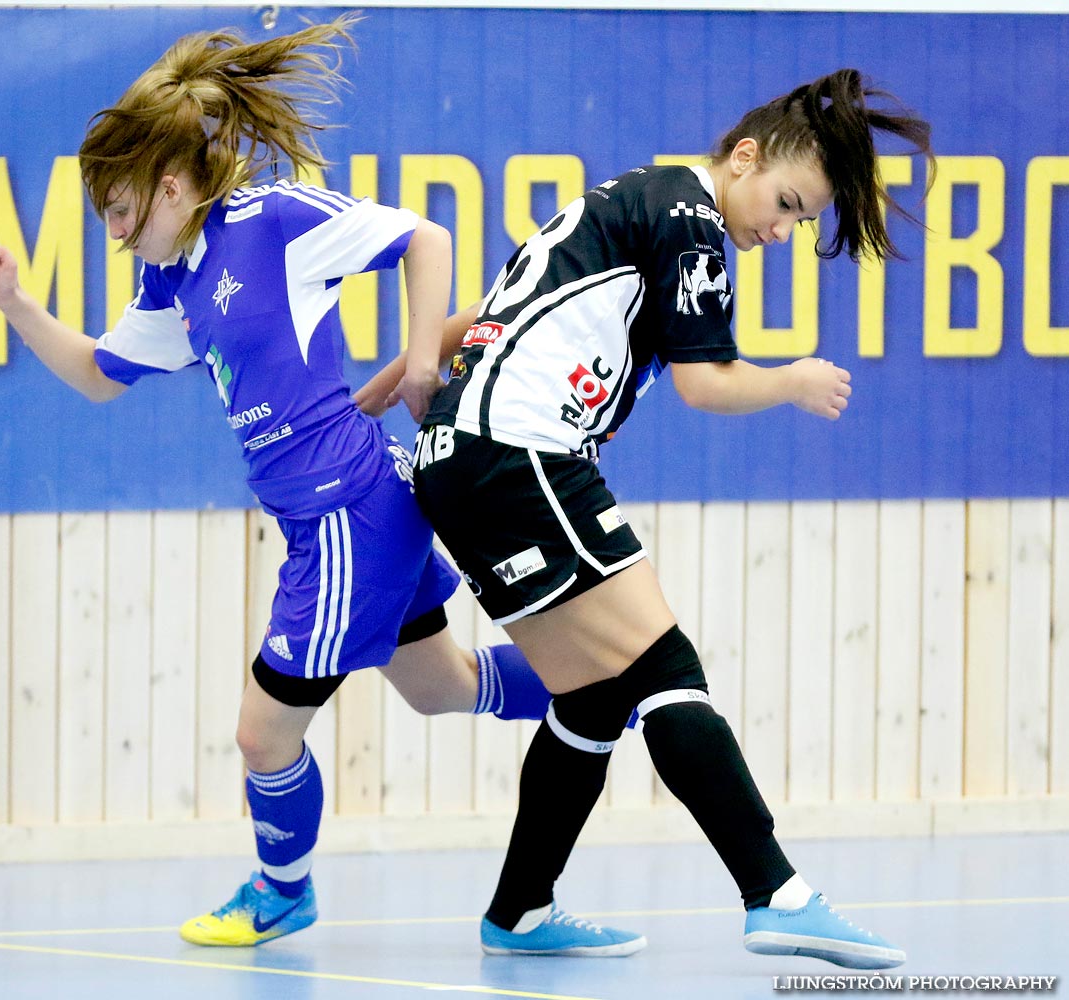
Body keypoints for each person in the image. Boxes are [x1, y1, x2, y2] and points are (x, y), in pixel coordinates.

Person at [0, 15, 551, 949]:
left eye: (119, 214)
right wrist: (15, 303)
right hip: (347, 518)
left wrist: (418, 367)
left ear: (166, 186)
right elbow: (96, 375)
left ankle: (282, 891)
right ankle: (612, 681)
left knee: (260, 737)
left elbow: (424, 239)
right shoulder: (174, 287)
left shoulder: (271, 222)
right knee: (442, 688)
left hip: (346, 517)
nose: (115, 237)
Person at [362, 69, 933, 966]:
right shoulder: (690, 215)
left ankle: (517, 910)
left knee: (592, 693)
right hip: (521, 455)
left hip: (466, 460)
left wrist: (377, 398)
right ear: (741, 157)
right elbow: (706, 385)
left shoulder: (626, 201)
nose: (778, 231)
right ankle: (774, 890)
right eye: (783, 204)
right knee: (664, 663)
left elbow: (478, 320)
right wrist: (793, 380)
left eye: (798, 222)